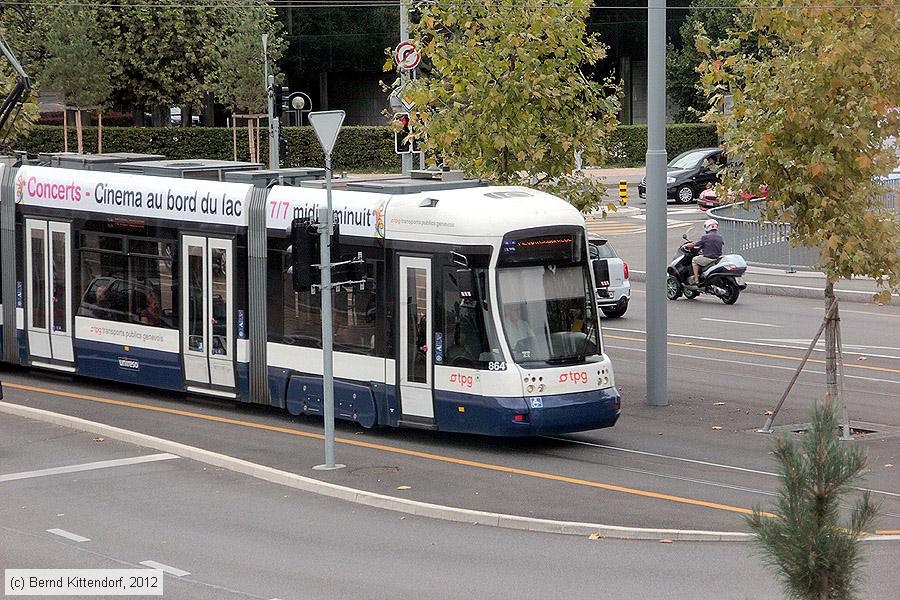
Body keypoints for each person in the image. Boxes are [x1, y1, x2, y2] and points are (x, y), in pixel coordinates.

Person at [687, 219, 724, 285]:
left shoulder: (705, 237)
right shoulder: (720, 237)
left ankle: (696, 279)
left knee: (694, 260)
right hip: (718, 258)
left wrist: (689, 245)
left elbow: (695, 244)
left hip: (708, 259)